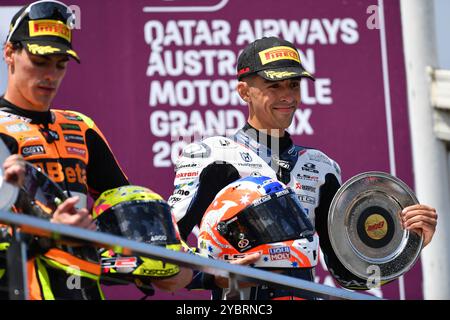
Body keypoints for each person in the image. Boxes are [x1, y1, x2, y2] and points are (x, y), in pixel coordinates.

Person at [168, 36, 438, 300]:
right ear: (244, 92)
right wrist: (215, 275)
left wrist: (408, 245)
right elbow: (164, 253)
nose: (287, 96)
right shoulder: (214, 156)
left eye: (294, 85)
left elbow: (348, 274)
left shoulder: (321, 168)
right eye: (274, 86)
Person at [0, 1, 191, 300]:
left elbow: (132, 219)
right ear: (10, 52)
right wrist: (45, 232)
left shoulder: (80, 127)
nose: (50, 74)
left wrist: (197, 267)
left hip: (82, 290)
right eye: (40, 61)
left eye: (60, 64)